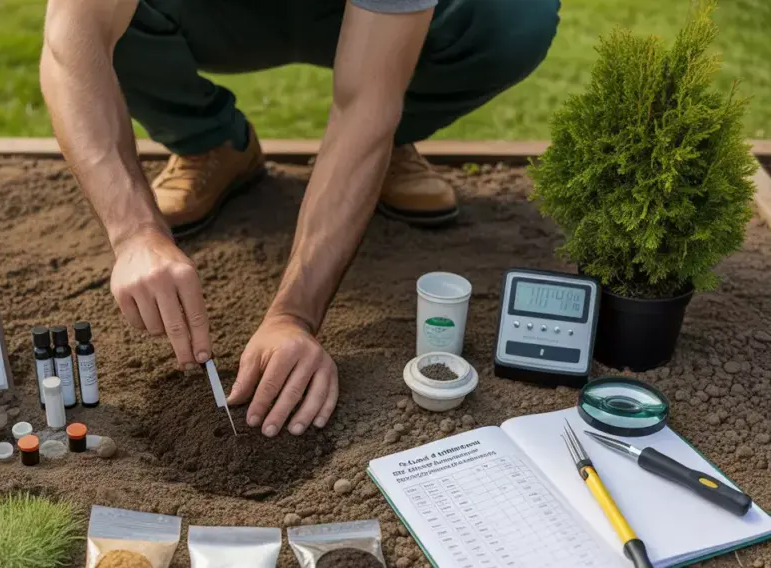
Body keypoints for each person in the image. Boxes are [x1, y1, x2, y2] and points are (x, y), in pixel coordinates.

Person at [40, 0, 560, 437]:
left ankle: (386, 150)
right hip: (208, 13)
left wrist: (294, 316)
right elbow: (71, 45)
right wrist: (135, 232)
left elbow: (365, 103)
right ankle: (206, 140)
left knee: (513, 19)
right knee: (115, 21)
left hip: (361, 19)